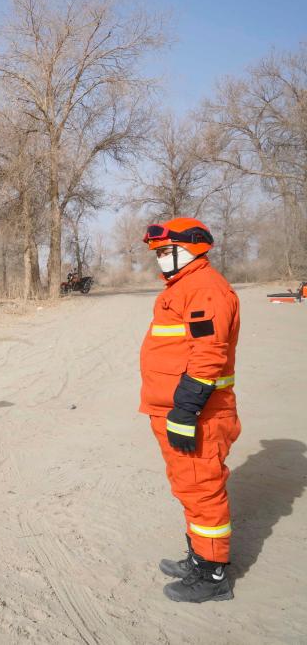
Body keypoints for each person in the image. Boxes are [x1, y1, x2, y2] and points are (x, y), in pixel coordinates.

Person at [140, 218, 241, 603]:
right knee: (189, 487)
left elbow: (208, 355)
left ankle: (213, 576)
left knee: (202, 490)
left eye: (167, 251)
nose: (161, 260)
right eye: (159, 254)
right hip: (174, 410)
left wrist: (185, 411)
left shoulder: (205, 290)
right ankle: (198, 558)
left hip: (199, 414)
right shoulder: (186, 287)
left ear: (194, 248)